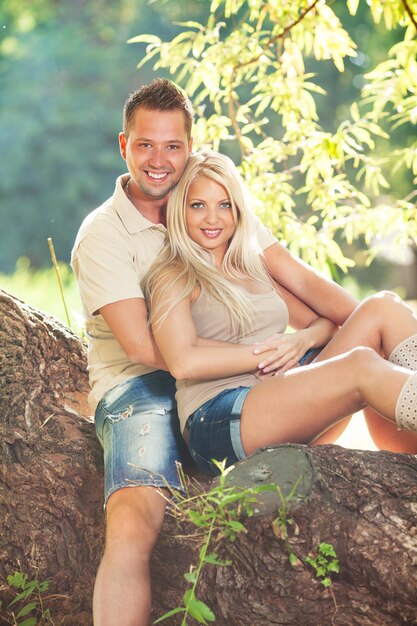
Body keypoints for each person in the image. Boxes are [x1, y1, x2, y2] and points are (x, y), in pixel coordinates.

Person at [71, 78, 361, 626]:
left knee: (377, 323)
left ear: (190, 146)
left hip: (229, 373)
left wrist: (297, 345)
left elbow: (297, 304)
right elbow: (147, 349)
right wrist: (259, 359)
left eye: (172, 145)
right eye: (146, 145)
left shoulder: (212, 211)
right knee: (135, 518)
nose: (159, 160)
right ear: (123, 146)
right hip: (143, 385)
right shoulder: (105, 234)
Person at [145, 150, 417, 477]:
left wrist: (300, 341)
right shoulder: (175, 273)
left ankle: (411, 452)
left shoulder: (251, 265)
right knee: (361, 364)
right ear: (180, 209)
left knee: (382, 306)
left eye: (225, 204)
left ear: (239, 210)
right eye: (198, 205)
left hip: (283, 396)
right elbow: (182, 361)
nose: (213, 218)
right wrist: (268, 354)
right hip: (220, 420)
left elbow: (326, 324)